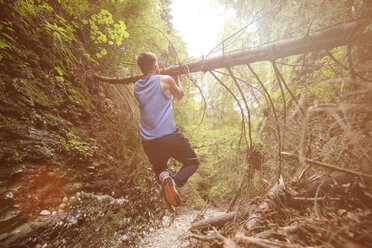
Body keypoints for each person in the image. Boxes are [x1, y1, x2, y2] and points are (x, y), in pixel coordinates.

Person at [134, 52, 199, 211]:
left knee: (161, 169)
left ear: (141, 69)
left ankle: (164, 183)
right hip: (169, 135)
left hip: (148, 141)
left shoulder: (137, 87)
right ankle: (174, 184)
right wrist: (177, 77)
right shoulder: (166, 80)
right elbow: (180, 95)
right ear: (155, 66)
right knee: (192, 162)